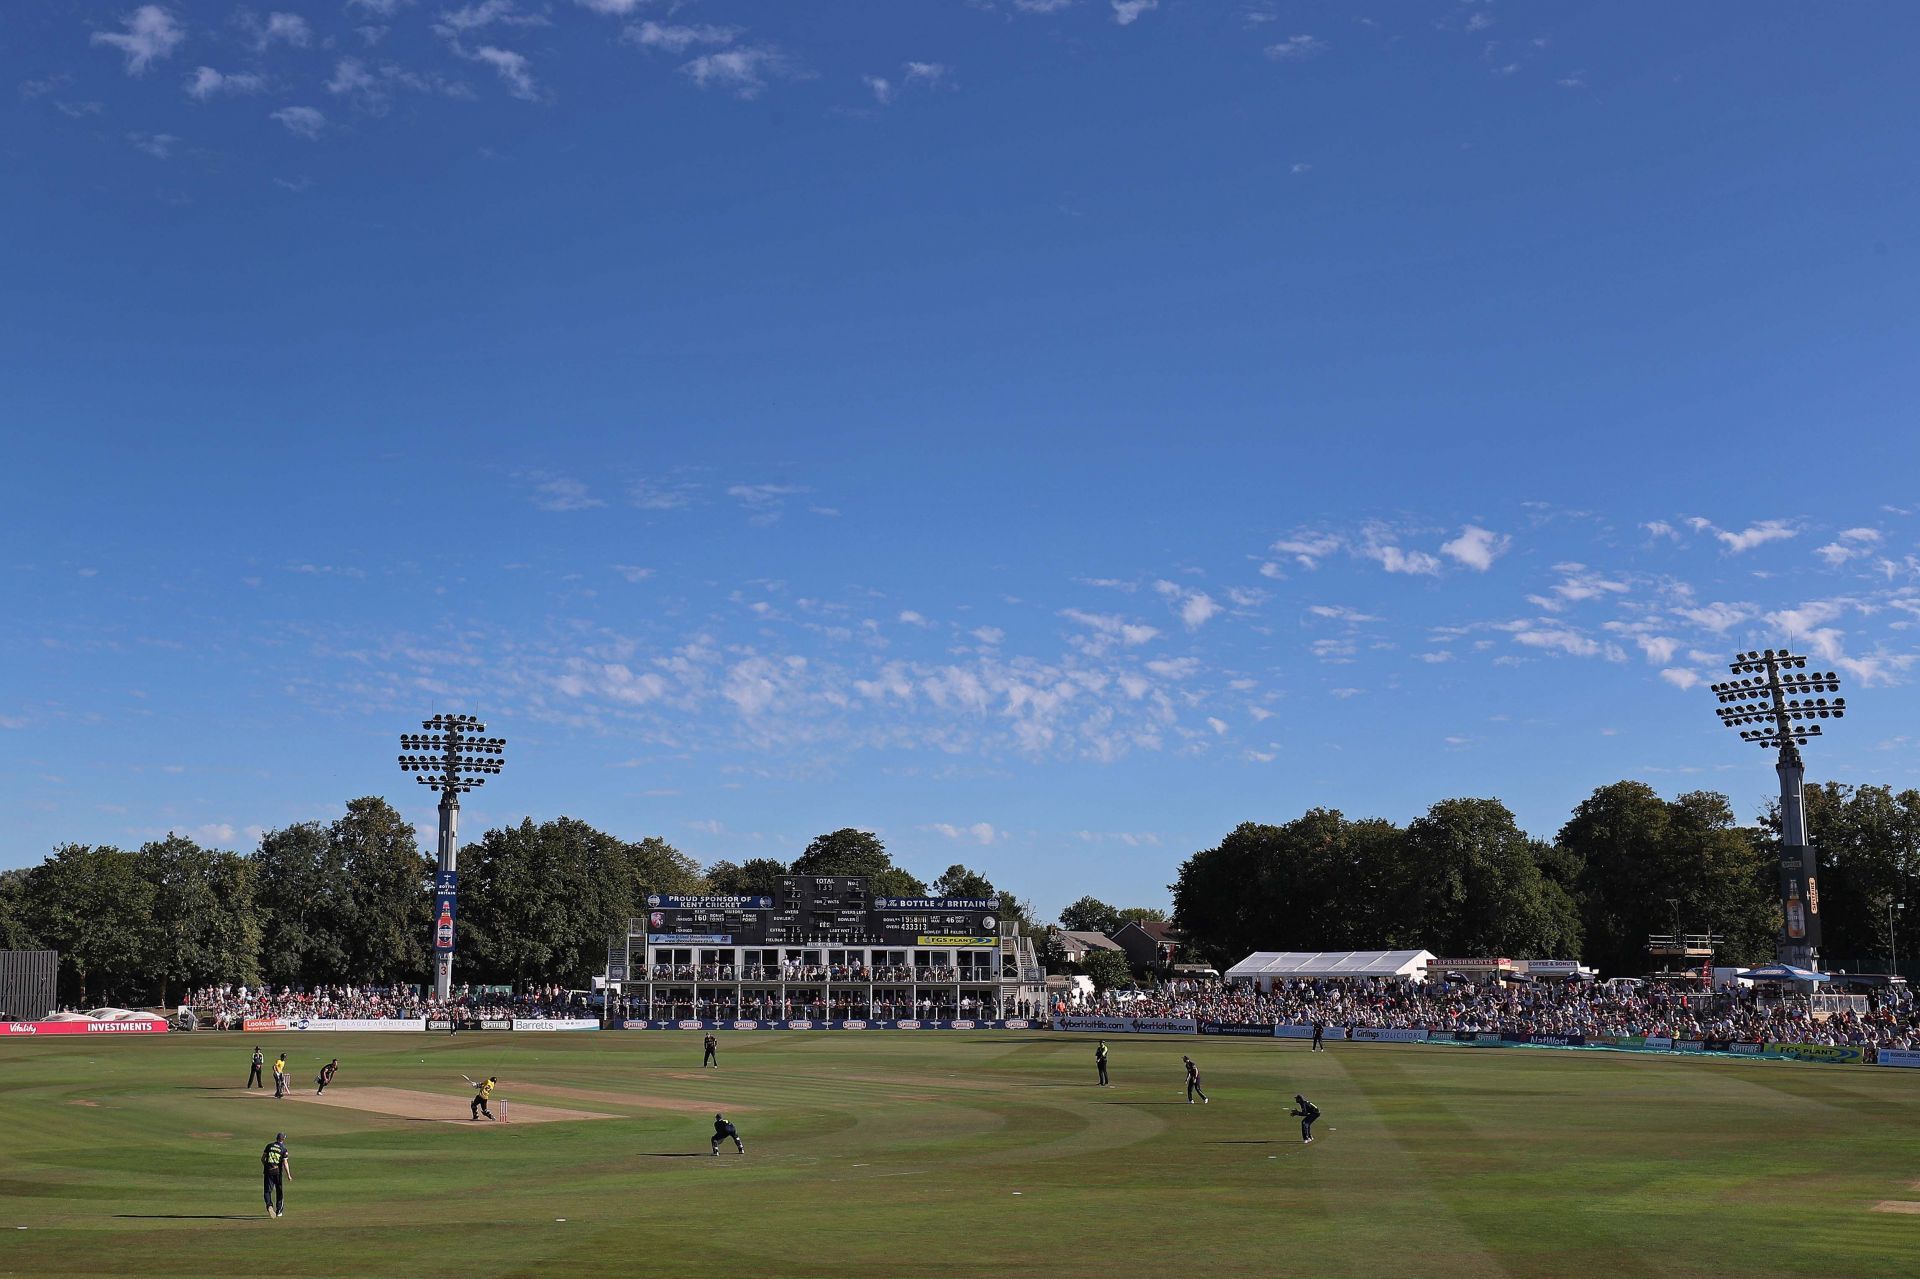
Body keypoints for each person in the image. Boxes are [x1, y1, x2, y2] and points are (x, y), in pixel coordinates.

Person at [261, 1132, 292, 1218]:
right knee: (279, 1191)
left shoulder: (269, 1146)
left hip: (268, 1171)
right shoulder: (283, 1149)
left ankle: (269, 1205)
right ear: (283, 1139)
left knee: (267, 1191)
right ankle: (279, 1211)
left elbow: (262, 1159)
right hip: (277, 1172)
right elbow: (285, 1163)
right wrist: (289, 1175)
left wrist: (267, 1166)